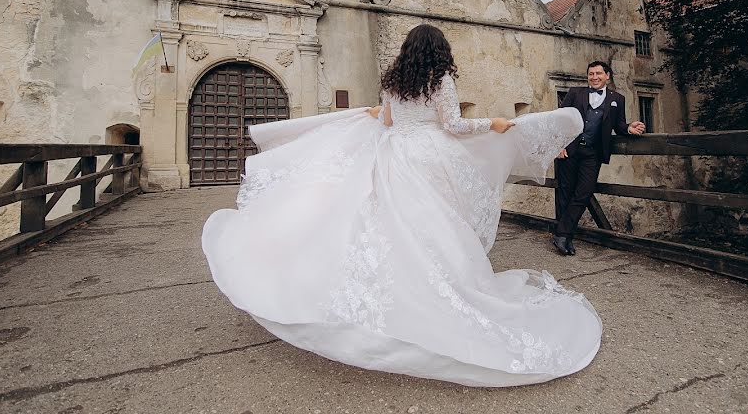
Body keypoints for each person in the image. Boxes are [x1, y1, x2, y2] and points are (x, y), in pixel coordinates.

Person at [202, 24, 602, 387]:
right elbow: (454, 126)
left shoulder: (394, 80)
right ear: (439, 51)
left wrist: (378, 115)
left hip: (395, 154)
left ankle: (399, 289)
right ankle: (437, 291)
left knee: (391, 221)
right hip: (429, 156)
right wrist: (492, 123)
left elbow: (388, 123)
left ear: (408, 51)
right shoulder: (441, 79)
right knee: (435, 224)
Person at [553, 61, 646, 256]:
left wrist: (629, 128)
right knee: (565, 192)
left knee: (583, 193)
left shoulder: (617, 99)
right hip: (569, 149)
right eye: (591, 74)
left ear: (607, 76)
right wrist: (558, 145)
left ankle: (561, 233)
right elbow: (560, 120)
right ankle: (565, 238)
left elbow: (618, 125)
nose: (594, 77)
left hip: (593, 154)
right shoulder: (574, 93)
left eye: (598, 74)